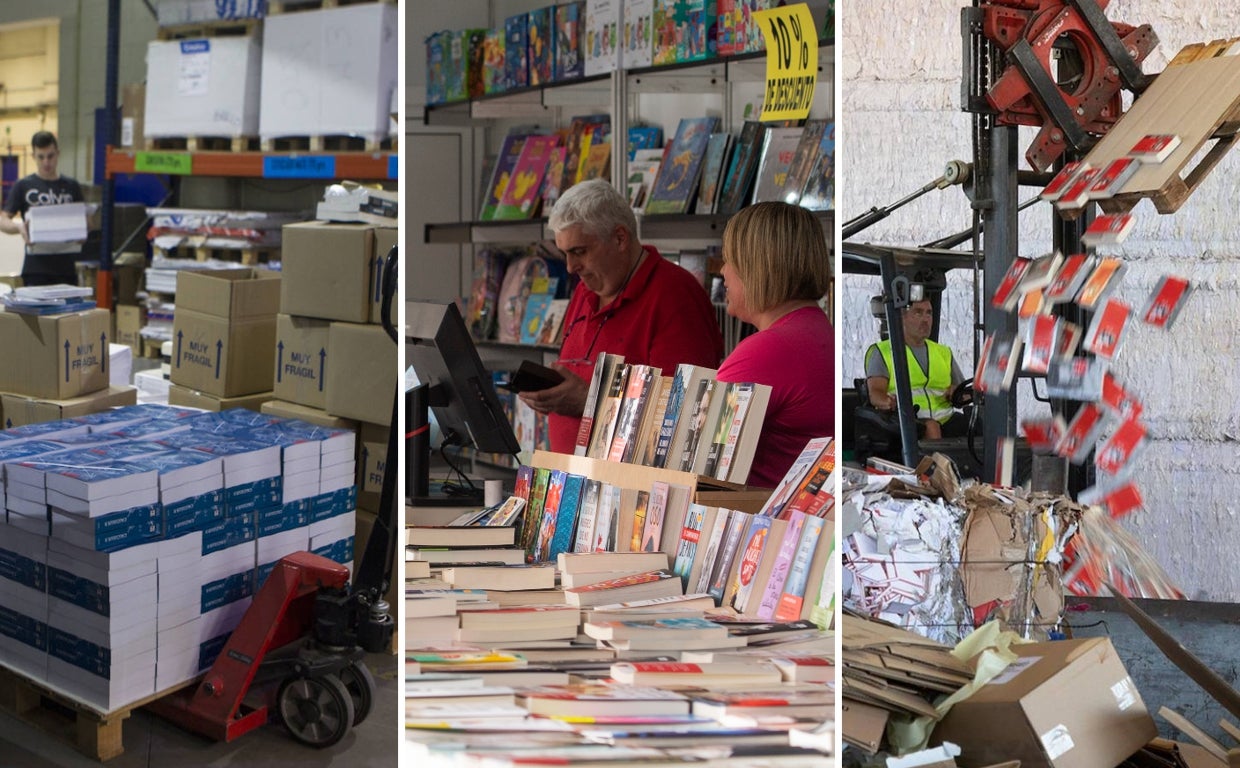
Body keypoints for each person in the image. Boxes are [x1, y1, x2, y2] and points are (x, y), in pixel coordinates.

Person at [518, 179, 723, 454]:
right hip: (570, 481)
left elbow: (687, 412)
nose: (570, 267)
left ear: (620, 238)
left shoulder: (675, 294)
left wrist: (589, 401)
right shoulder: (585, 289)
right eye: (564, 253)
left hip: (633, 490)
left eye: (579, 251)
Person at [715, 201, 833, 489]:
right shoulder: (817, 331)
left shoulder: (769, 351)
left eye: (730, 259)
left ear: (757, 266)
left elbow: (694, 455)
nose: (722, 271)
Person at [864, 297, 967, 439]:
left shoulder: (943, 352)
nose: (925, 319)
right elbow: (875, 394)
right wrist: (887, 402)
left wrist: (957, 392)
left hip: (946, 419)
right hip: (904, 420)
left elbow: (964, 392)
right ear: (902, 317)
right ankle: (935, 462)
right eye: (918, 313)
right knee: (931, 427)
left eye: (929, 313)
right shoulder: (883, 352)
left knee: (979, 426)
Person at [0, 131, 85, 287]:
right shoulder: (23, 186)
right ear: (33, 156)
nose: (46, 162)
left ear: (58, 154)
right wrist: (19, 227)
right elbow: (2, 219)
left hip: (66, 268)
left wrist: (83, 230)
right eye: (41, 157)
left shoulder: (71, 186)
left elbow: (87, 220)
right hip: (36, 269)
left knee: (67, 312)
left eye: (50, 156)